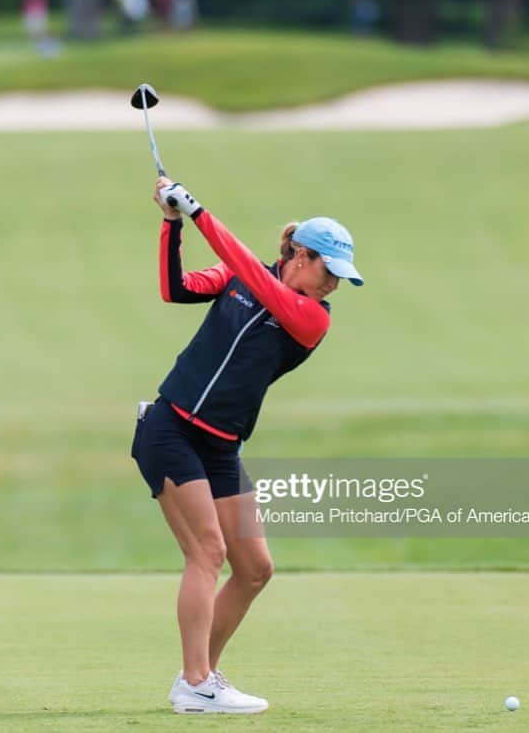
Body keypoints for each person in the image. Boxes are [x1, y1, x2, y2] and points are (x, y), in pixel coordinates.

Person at [131, 177, 363, 714]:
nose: (332, 286)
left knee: (255, 567)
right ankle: (195, 684)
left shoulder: (311, 319)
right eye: (329, 271)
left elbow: (258, 280)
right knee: (207, 552)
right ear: (301, 257)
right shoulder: (245, 276)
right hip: (171, 429)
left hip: (220, 447)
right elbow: (177, 288)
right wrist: (172, 224)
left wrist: (199, 211)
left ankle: (201, 676)